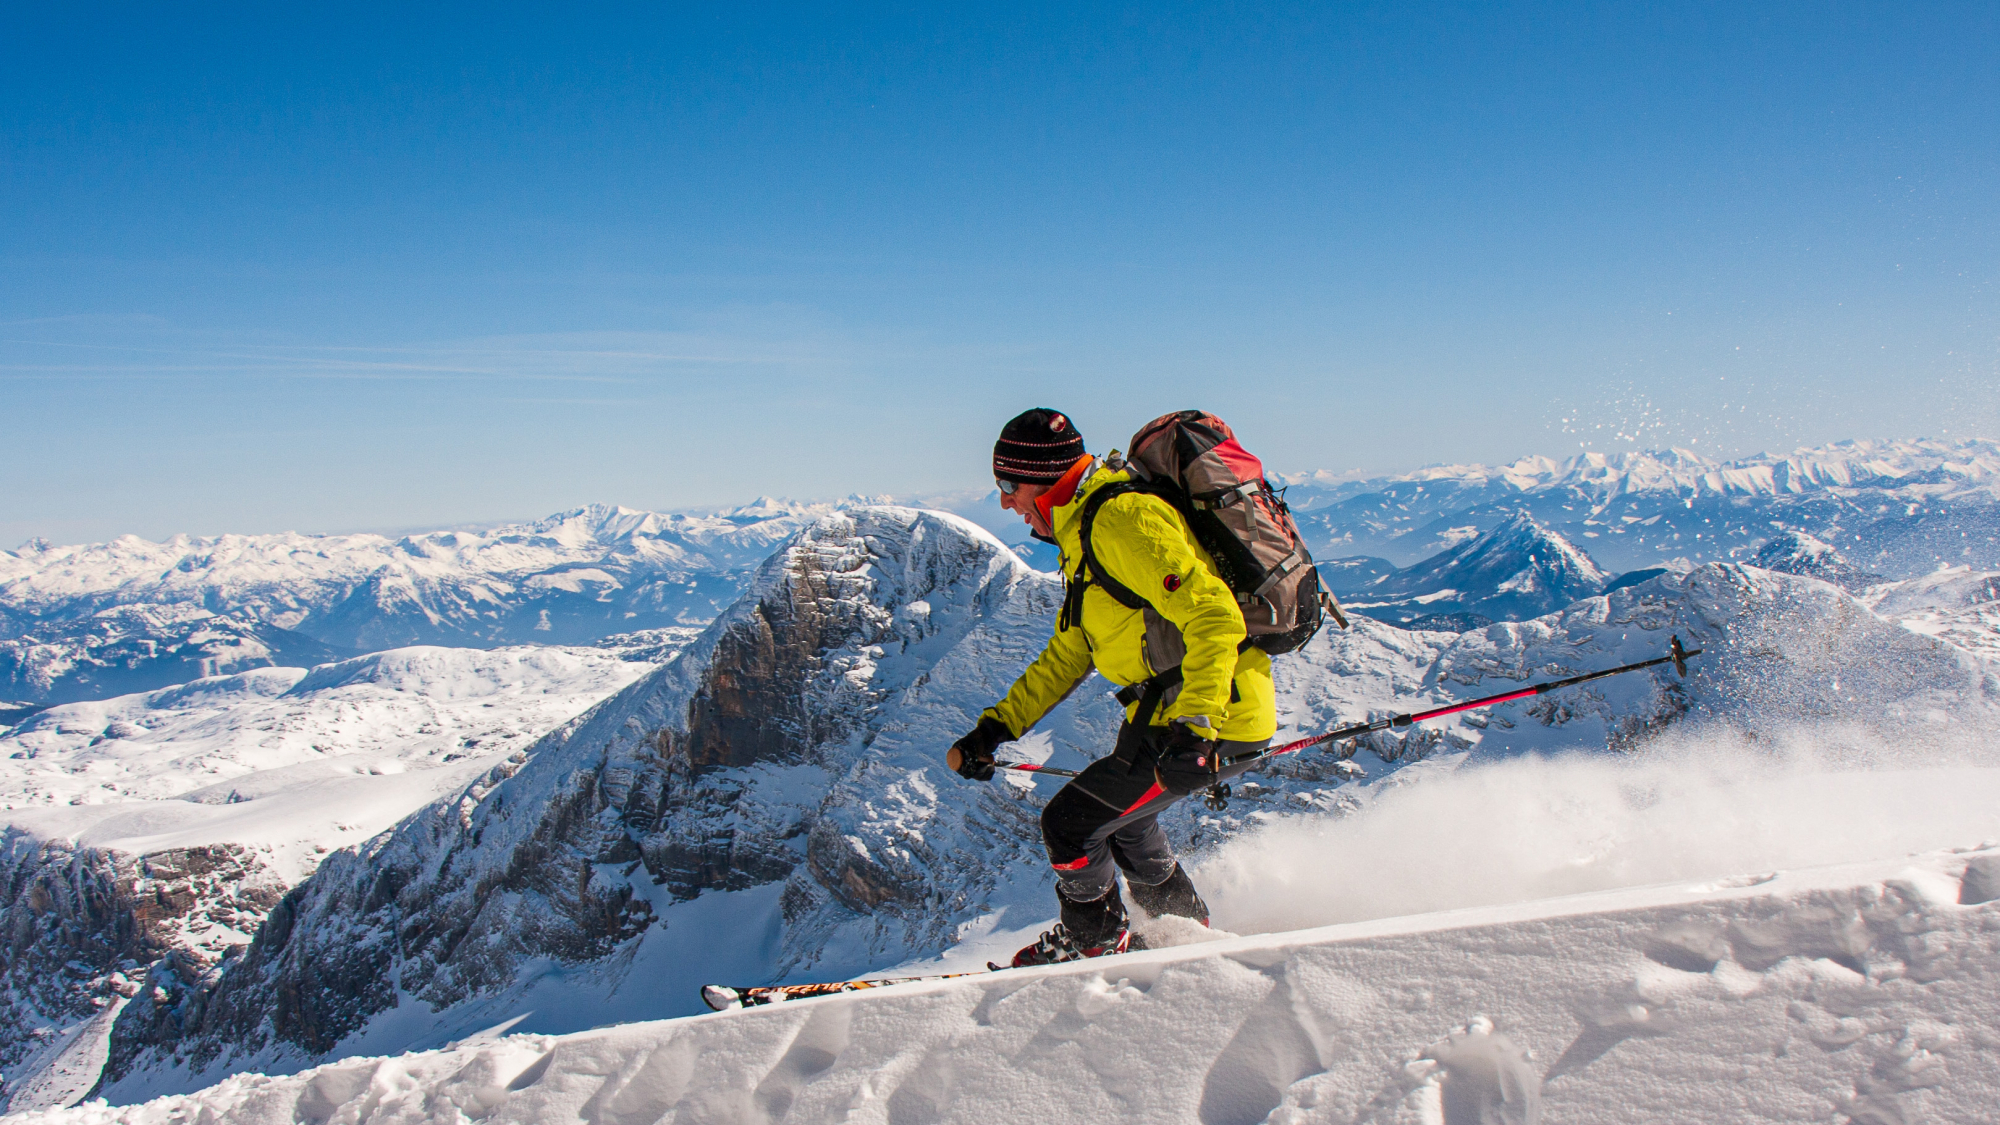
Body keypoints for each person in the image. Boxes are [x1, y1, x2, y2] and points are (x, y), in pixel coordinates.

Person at [948, 407, 1274, 965]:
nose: (1004, 500)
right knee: (1125, 824)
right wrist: (994, 730)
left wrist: (1196, 725)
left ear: (1046, 480)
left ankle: (1092, 944)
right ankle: (1182, 930)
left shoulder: (1120, 521)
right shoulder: (1083, 531)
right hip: (1166, 717)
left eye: (1009, 484)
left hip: (1213, 719)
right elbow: (1071, 650)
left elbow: (1216, 615)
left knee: (1070, 824)